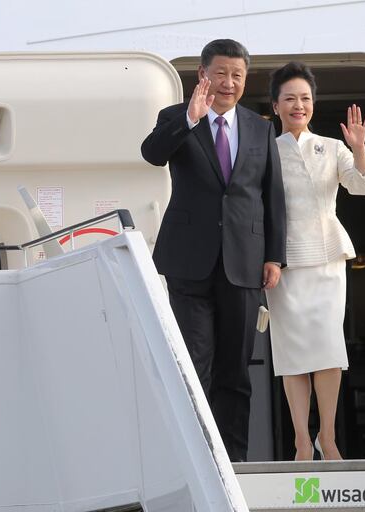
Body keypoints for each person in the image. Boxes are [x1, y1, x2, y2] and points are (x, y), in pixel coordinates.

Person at [140, 39, 286, 462]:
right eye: (220, 73)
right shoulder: (176, 117)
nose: (229, 82)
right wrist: (190, 118)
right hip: (189, 262)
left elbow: (271, 196)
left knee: (235, 373)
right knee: (194, 366)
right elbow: (151, 154)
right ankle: (193, 459)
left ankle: (233, 463)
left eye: (237, 75)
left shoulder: (260, 127)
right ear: (203, 75)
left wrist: (274, 255)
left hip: (244, 264)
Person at [266, 62, 365, 461]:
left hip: (329, 257)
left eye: (306, 98)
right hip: (284, 263)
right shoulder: (263, 149)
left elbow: (362, 187)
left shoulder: (332, 146)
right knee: (293, 355)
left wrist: (360, 148)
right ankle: (300, 439)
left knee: (329, 349)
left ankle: (326, 437)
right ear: (275, 105)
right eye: (290, 98)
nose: (299, 105)